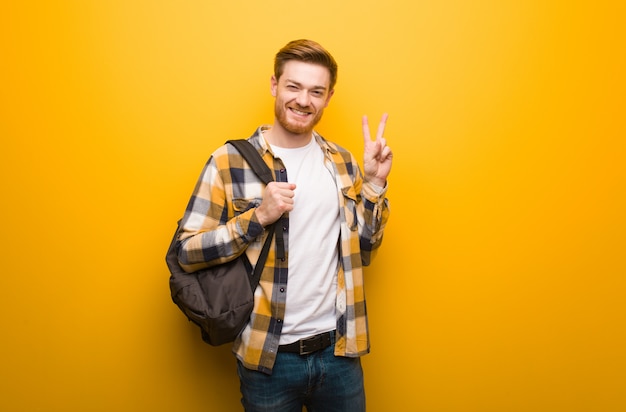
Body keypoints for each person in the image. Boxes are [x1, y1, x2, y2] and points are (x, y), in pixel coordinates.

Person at [176, 39, 392, 411]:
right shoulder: (228, 162)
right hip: (268, 359)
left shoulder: (341, 161)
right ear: (275, 86)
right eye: (293, 86)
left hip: (340, 353)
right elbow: (186, 253)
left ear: (328, 98)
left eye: (316, 91)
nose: (303, 100)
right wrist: (256, 218)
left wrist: (373, 184)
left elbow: (366, 249)